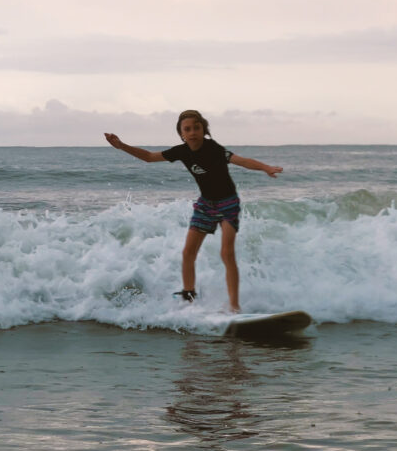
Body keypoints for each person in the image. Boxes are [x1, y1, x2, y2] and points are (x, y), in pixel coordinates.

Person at [104, 110, 283, 313]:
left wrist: (266, 167)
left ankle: (234, 305)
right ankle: (189, 297)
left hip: (227, 203)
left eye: (196, 128)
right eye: (187, 129)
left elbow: (241, 160)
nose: (192, 132)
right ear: (181, 134)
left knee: (227, 253)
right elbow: (148, 157)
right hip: (206, 205)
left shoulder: (213, 148)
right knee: (188, 253)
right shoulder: (181, 151)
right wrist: (121, 146)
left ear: (203, 129)